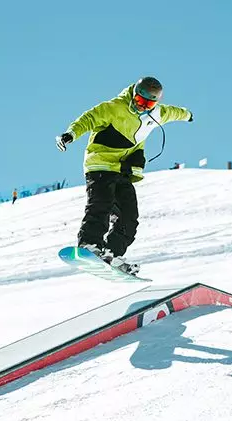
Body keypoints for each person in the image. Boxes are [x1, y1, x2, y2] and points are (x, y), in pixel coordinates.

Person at [56, 76, 193, 274]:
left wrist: (187, 114)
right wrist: (70, 134)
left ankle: (112, 253)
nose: (143, 107)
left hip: (123, 171)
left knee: (129, 217)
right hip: (100, 164)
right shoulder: (114, 107)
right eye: (139, 102)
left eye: (148, 104)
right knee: (101, 204)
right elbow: (88, 119)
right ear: (133, 95)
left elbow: (173, 112)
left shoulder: (155, 114)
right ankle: (89, 244)